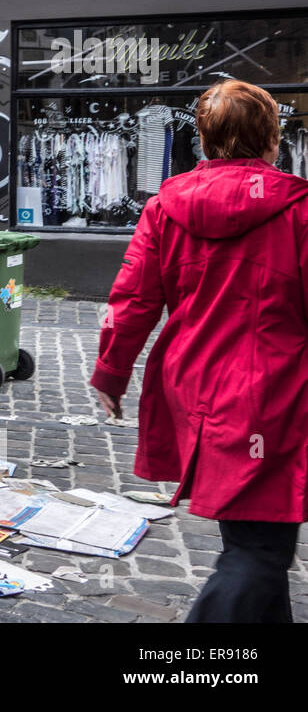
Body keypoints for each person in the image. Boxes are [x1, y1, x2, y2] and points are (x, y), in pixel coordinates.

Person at [89, 80, 308, 623]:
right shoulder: (297, 210)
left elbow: (132, 301)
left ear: (205, 141)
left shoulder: (166, 205)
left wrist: (111, 375)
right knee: (259, 547)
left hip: (196, 387)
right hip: (271, 392)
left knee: (257, 536)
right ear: (271, 140)